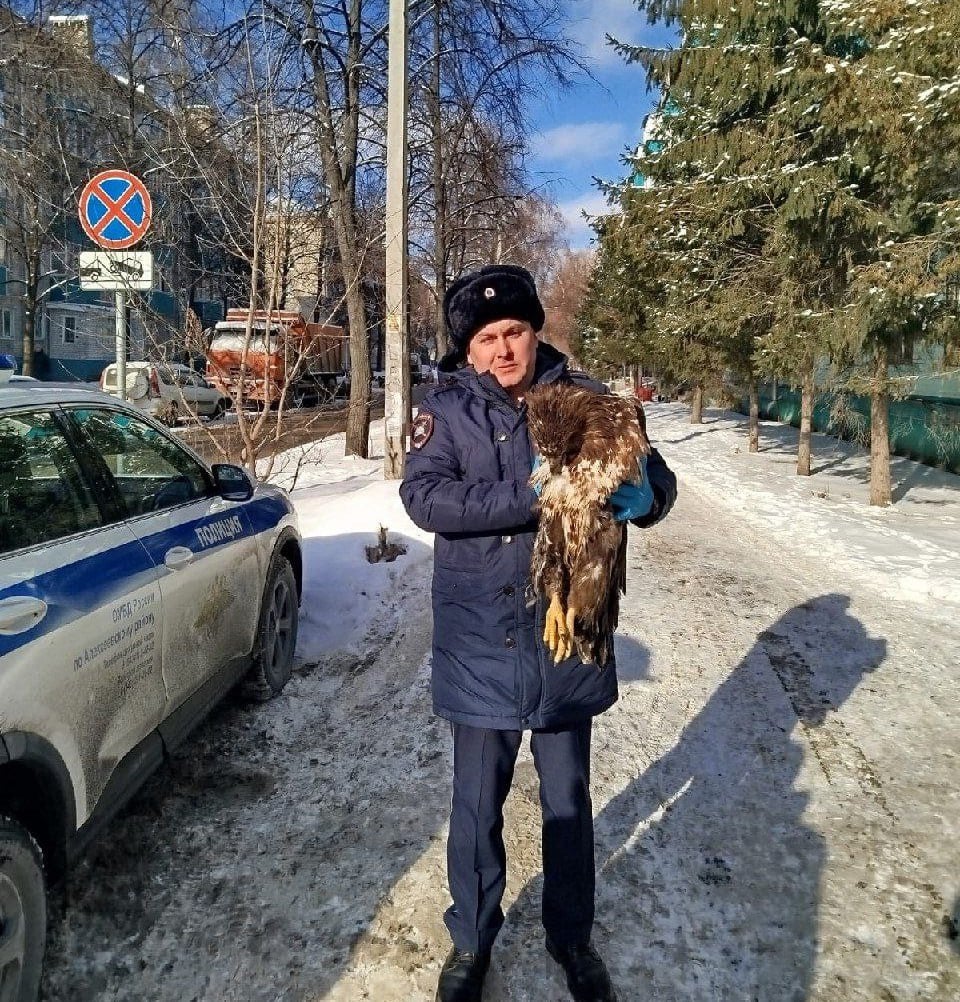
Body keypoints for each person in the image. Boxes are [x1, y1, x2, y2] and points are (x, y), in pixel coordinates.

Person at [399, 264, 677, 1002]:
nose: (502, 349)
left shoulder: (583, 397)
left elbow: (657, 476)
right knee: (475, 803)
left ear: (534, 331)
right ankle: (472, 944)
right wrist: (525, 495)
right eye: (486, 337)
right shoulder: (445, 409)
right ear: (467, 348)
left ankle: (571, 938)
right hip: (482, 634)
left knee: (567, 800)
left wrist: (646, 497)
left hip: (568, 635)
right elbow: (424, 498)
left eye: (514, 331)